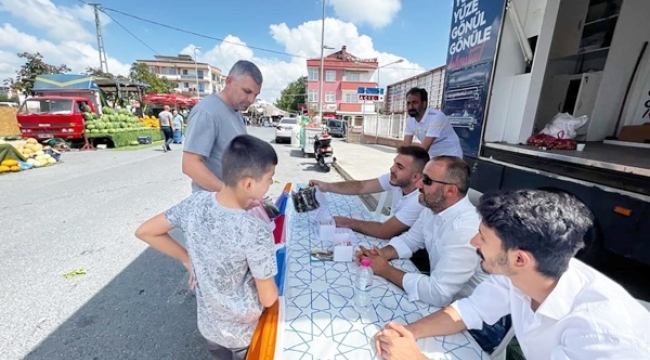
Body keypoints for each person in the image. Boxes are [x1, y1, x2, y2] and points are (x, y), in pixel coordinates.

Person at [374, 190, 650, 360]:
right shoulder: (524, 274)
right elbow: (469, 310)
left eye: (482, 238)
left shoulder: (600, 335)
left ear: (520, 258)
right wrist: (407, 333)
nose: (474, 243)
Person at [135, 134, 279, 360]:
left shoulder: (195, 202)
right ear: (249, 183)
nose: (271, 183)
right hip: (245, 335)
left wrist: (187, 258)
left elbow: (145, 231)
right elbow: (268, 298)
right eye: (270, 178)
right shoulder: (255, 230)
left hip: (210, 327)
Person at [355, 156, 486, 306]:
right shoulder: (433, 209)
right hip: (445, 302)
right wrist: (379, 255)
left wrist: (385, 270)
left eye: (427, 180)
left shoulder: (465, 230)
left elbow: (438, 293)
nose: (419, 184)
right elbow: (410, 239)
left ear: (450, 190)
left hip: (473, 317)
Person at [308, 146, 429, 240]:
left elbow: (385, 231)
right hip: (397, 241)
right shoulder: (397, 180)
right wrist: (326, 186)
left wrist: (347, 222)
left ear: (415, 177)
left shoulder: (418, 200)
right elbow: (361, 186)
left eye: (400, 167)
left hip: (414, 257)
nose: (392, 169)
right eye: (394, 163)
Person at [183, 60, 263, 193]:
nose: (251, 100)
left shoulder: (237, 112)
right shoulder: (207, 112)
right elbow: (190, 165)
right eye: (247, 91)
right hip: (213, 206)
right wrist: (229, 193)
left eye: (255, 94)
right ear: (229, 82)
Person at [401, 87, 463, 159]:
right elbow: (406, 145)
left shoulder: (436, 117)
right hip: (433, 155)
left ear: (424, 104)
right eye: (408, 103)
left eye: (415, 103)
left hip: (451, 155)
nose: (410, 107)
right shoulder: (410, 120)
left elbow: (425, 147)